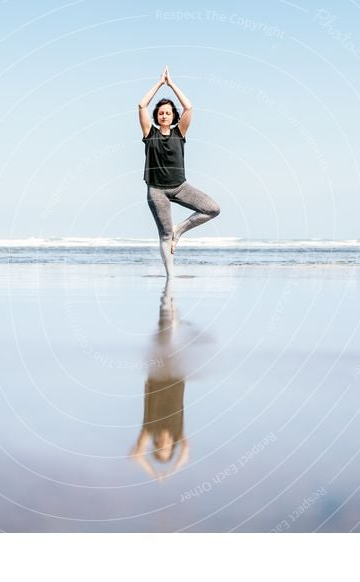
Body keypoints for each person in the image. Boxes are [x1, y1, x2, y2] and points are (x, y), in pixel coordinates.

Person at [138, 66, 220, 278]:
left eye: (168, 112)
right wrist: (158, 83)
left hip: (180, 187)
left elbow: (189, 107)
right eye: (161, 113)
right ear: (156, 116)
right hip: (157, 191)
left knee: (212, 209)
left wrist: (171, 84)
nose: (164, 115)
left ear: (173, 115)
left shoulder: (180, 131)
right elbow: (141, 105)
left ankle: (180, 230)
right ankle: (170, 278)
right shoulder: (149, 133)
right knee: (164, 234)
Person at [130, 279, 189, 480]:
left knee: (164, 332)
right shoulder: (178, 431)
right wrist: (173, 469)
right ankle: (170, 297)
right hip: (177, 377)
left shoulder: (150, 428)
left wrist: (156, 473)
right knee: (172, 333)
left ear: (155, 445)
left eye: (160, 447)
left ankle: (168, 297)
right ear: (172, 444)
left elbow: (137, 454)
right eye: (167, 448)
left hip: (156, 376)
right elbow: (187, 453)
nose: (164, 443)